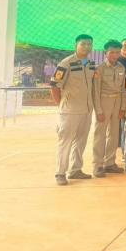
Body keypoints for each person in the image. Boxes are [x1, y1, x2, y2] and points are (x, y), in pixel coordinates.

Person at [51, 34, 97, 185]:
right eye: (83, 44)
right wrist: (61, 105)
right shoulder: (66, 63)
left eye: (89, 44)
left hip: (87, 109)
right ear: (75, 45)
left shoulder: (91, 64)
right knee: (65, 141)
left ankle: (75, 169)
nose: (86, 47)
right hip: (70, 110)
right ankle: (60, 173)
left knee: (81, 141)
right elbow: (55, 85)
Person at [92, 40, 126, 178]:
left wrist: (122, 107)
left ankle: (110, 163)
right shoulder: (100, 69)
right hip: (104, 101)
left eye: (117, 52)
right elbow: (95, 91)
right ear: (105, 52)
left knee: (114, 134)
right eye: (112, 52)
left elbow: (123, 89)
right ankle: (98, 165)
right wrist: (98, 110)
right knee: (100, 134)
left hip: (117, 102)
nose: (115, 55)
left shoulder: (121, 67)